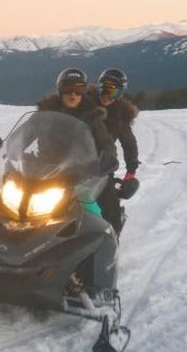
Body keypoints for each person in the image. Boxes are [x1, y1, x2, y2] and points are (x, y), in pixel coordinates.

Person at [37, 68, 118, 217]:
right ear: (60, 90)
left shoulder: (92, 115)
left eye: (78, 88)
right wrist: (10, 151)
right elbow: (27, 133)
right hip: (46, 172)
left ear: (84, 92)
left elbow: (107, 142)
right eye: (67, 88)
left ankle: (110, 234)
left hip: (81, 175)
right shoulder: (45, 113)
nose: (73, 93)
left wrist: (109, 157)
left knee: (97, 213)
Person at [91, 68, 140, 235]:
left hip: (101, 168)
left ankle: (112, 241)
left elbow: (129, 143)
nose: (106, 94)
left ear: (119, 93)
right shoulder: (85, 105)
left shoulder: (119, 117)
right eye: (103, 89)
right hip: (71, 163)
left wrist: (131, 170)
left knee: (109, 204)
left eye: (112, 91)